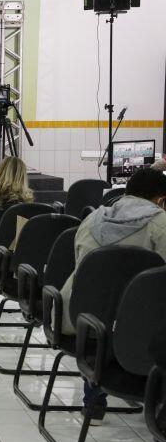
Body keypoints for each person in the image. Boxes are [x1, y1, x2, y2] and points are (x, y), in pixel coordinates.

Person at [58, 168, 166, 424]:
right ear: (160, 199)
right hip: (137, 326)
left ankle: (93, 401)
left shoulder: (92, 218)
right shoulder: (160, 223)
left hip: (80, 317)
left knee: (106, 313)